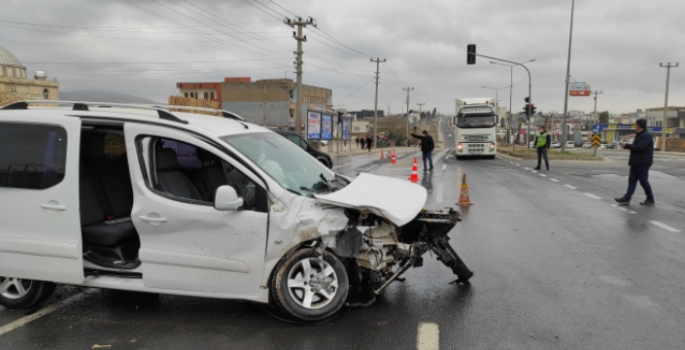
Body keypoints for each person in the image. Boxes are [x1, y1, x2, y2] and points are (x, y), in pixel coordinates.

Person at [615, 119, 655, 205]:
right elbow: (636, 146)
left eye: (636, 125)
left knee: (643, 181)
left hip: (643, 162)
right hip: (636, 162)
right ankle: (627, 198)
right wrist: (627, 146)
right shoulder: (639, 135)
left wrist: (627, 146)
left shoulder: (646, 135)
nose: (635, 126)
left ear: (639, 126)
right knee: (632, 180)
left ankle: (650, 198)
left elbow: (640, 147)